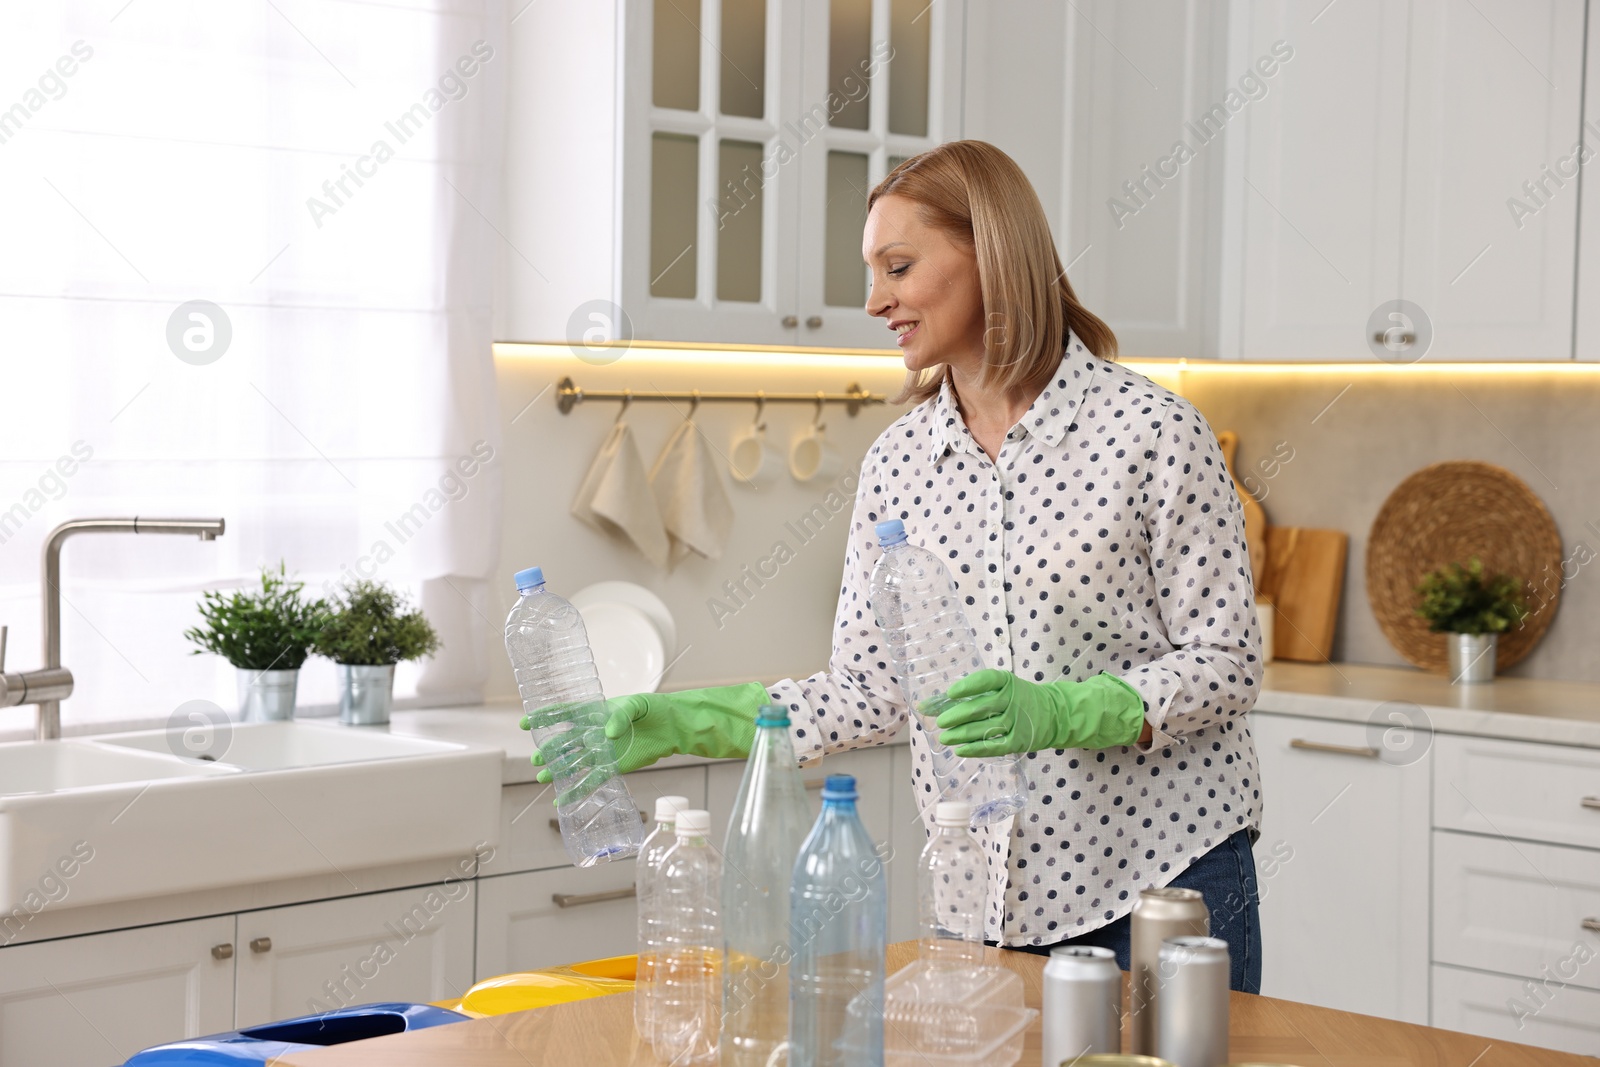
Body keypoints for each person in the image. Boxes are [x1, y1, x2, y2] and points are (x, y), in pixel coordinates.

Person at [524, 140, 1265, 990]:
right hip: (985, 896)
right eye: (872, 273)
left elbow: (1227, 663)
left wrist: (1072, 709)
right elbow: (868, 691)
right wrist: (680, 722)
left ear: (992, 253)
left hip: (1164, 882)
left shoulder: (1151, 433)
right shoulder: (900, 462)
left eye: (899, 266)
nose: (876, 300)